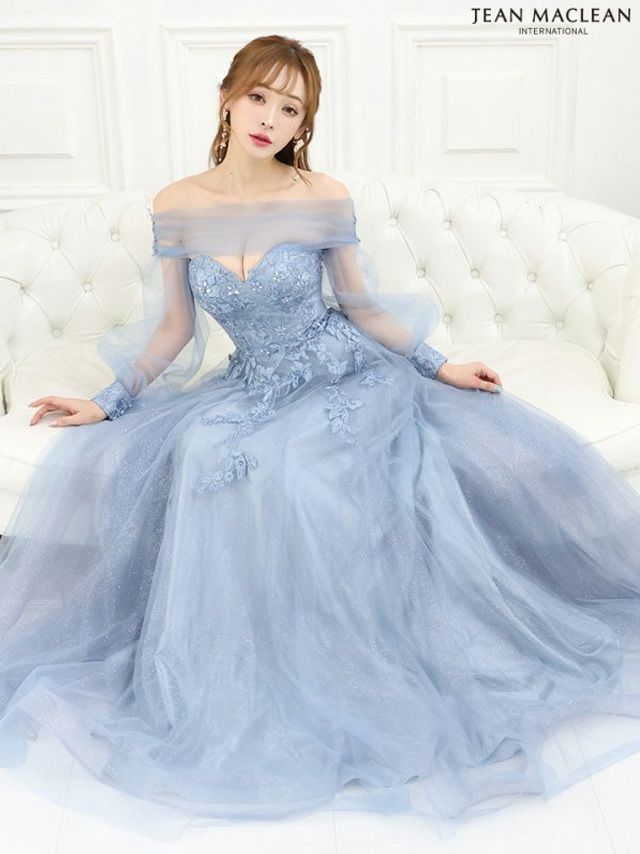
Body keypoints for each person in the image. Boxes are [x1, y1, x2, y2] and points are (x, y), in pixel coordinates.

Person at [2, 33, 640, 841]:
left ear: (305, 123)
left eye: (291, 108)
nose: (270, 118)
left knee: (297, 471)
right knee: (202, 453)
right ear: (228, 97)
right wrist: (108, 400)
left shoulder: (322, 196)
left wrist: (438, 364)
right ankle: (234, 677)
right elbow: (173, 329)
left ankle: (341, 672)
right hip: (252, 383)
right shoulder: (177, 204)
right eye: (258, 96)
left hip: (343, 376)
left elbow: (362, 307)